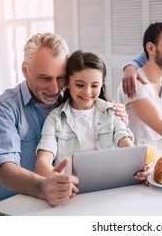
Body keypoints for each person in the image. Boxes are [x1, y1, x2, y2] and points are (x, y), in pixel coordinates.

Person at [0, 33, 128, 216]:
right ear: (25, 70)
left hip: (62, 207)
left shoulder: (73, 102)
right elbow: (4, 169)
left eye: (61, 78)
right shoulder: (1, 110)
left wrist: (119, 122)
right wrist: (42, 187)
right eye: (45, 78)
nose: (55, 89)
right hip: (7, 211)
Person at [35, 50, 149, 183]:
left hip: (109, 184)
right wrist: (56, 181)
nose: (87, 92)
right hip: (71, 190)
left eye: (94, 85)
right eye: (79, 85)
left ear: (102, 84)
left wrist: (140, 166)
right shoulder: (55, 119)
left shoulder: (112, 111)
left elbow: (126, 143)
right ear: (67, 83)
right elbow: (43, 161)